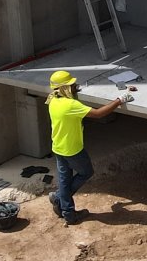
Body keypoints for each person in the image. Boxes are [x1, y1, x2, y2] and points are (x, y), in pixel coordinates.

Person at [46, 70, 129, 225]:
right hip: (73, 149)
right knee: (86, 172)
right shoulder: (70, 105)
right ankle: (60, 200)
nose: (74, 87)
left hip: (58, 147)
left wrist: (74, 91)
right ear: (64, 88)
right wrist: (119, 100)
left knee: (64, 180)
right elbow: (98, 114)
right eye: (71, 85)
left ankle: (67, 211)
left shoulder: (52, 100)